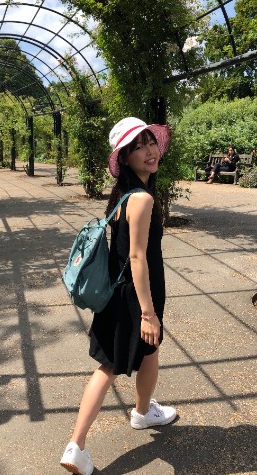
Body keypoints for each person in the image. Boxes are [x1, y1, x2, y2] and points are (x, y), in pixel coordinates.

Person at [60, 117, 176, 475]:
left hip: (122, 293)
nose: (148, 151)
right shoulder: (140, 198)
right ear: (124, 158)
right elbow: (138, 257)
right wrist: (148, 312)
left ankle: (143, 412)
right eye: (137, 147)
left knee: (150, 350)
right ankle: (76, 445)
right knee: (109, 366)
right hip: (135, 298)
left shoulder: (126, 194)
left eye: (148, 142)